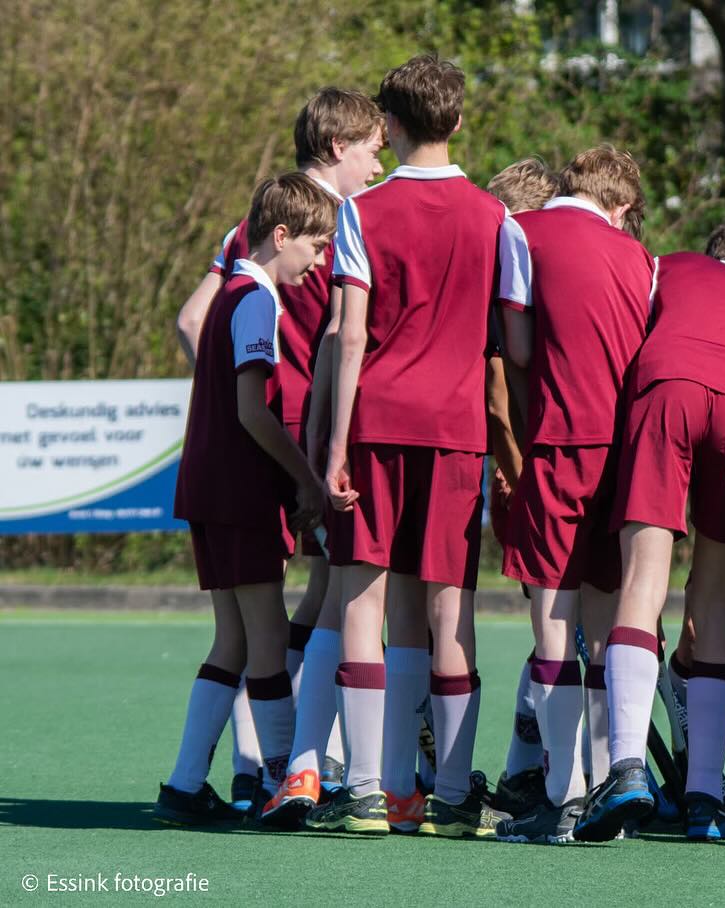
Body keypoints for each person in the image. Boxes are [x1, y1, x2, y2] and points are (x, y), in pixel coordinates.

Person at [309, 55, 511, 839]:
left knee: (361, 599)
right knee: (446, 610)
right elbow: (510, 338)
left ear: (387, 126)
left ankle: (367, 790)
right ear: (457, 121)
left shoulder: (365, 210)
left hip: (380, 422)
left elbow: (350, 332)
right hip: (458, 429)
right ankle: (448, 794)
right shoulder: (495, 216)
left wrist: (333, 446)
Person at [572, 214, 725, 843]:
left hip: (666, 388)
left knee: (643, 578)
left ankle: (627, 766)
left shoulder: (666, 263)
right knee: (710, 601)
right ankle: (705, 800)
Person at [154, 173, 334, 825]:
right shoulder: (254, 299)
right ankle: (284, 776)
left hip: (208, 486)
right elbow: (254, 413)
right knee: (265, 638)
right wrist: (308, 482)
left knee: (231, 638)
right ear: (279, 236)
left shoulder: (232, 293)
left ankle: (182, 785)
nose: (317, 264)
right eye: (313, 247)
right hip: (241, 489)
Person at [495, 145, 654, 844]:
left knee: (553, 628)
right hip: (626, 454)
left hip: (559, 444)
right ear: (620, 204)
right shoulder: (639, 259)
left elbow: (519, 349)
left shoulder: (523, 232)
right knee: (605, 626)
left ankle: (564, 794)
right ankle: (603, 792)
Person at [484, 156, 564, 818]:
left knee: (554, 626)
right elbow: (494, 394)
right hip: (525, 470)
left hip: (530, 465)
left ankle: (520, 769)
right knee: (557, 625)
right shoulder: (507, 263)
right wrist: (513, 467)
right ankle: (537, 772)